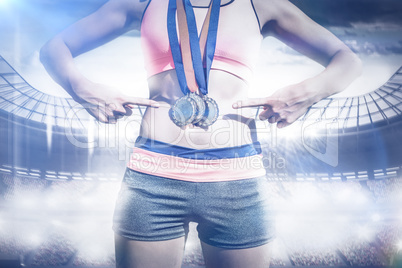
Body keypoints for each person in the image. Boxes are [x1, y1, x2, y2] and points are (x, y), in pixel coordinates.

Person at [40, 0, 362, 267]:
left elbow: (348, 61)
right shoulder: (142, 2)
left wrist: (306, 92)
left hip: (237, 184)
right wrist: (83, 89)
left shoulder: (259, 3)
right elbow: (54, 48)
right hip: (152, 181)